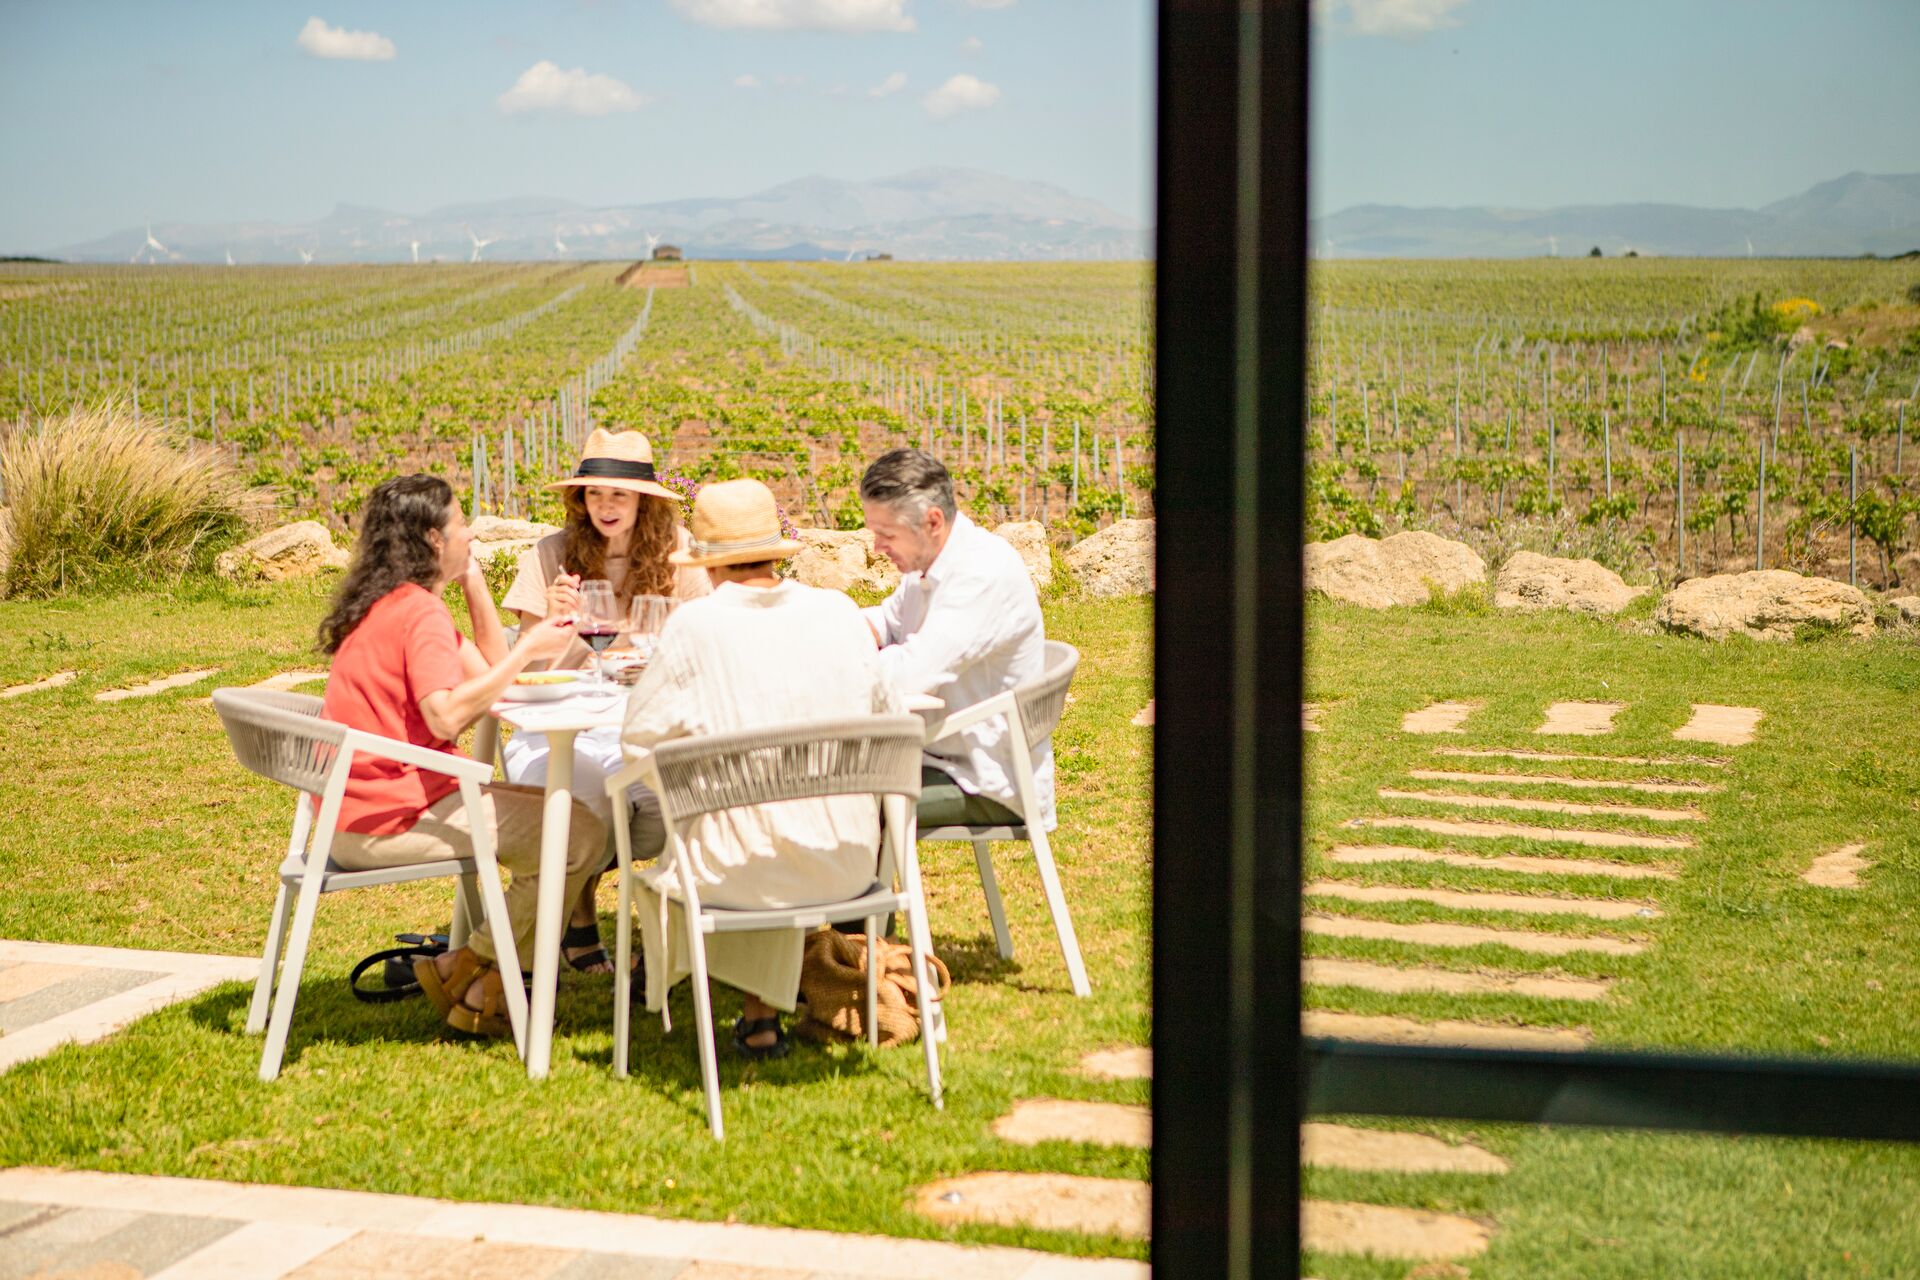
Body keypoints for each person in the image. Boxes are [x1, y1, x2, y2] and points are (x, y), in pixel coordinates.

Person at [317, 474, 607, 1039]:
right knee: (578, 836)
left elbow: (497, 676)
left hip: (356, 812)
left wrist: (473, 582)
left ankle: (474, 972)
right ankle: (474, 970)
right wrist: (530, 646)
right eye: (460, 523)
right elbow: (446, 717)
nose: (471, 532)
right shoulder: (420, 615)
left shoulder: (399, 603)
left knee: (572, 823)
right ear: (433, 538)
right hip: (390, 821)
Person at [622, 479, 903, 1059]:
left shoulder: (696, 625)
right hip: (849, 867)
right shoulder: (838, 612)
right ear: (776, 550)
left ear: (707, 563)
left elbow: (640, 741)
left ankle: (662, 980)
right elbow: (886, 716)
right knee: (762, 825)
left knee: (735, 833)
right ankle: (760, 1020)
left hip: (737, 875)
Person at [499, 428, 709, 973]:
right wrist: (551, 620)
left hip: (645, 720)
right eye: (595, 494)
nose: (606, 506)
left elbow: (698, 646)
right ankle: (579, 920)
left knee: (679, 800)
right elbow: (527, 670)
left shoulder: (678, 553)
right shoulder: (551, 555)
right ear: (580, 498)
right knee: (582, 798)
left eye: (619, 494)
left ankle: (668, 934)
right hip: (560, 726)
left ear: (644, 500)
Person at [859, 448, 1054, 836]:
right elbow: (888, 620)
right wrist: (830, 628)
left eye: (887, 534)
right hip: (938, 753)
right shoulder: (930, 561)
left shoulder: (980, 574)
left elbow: (912, 674)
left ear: (932, 521)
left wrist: (828, 666)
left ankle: (869, 877)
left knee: (842, 798)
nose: (877, 547)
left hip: (985, 778)